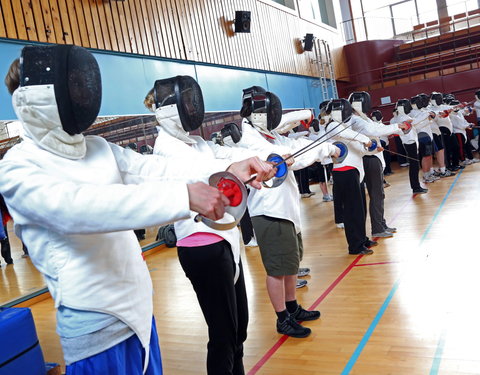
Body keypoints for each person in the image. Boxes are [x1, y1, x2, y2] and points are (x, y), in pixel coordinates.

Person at [0, 45, 273, 375]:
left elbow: (156, 170)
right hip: (94, 330)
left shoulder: (98, 148)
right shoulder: (17, 168)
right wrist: (183, 197)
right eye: (73, 88)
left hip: (140, 317)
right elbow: (79, 208)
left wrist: (231, 168)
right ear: (40, 98)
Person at [143, 76, 271, 375]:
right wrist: (230, 169)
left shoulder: (197, 142)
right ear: (168, 110)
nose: (191, 107)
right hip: (201, 247)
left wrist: (262, 160)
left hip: (226, 241)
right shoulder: (166, 148)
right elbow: (196, 172)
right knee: (223, 335)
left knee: (238, 329)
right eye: (185, 103)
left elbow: (227, 155)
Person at [233, 86, 340, 338]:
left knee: (291, 265)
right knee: (277, 270)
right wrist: (322, 151)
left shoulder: (269, 135)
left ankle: (293, 308)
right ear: (259, 113)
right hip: (270, 213)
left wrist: (327, 146)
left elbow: (296, 144)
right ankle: (282, 318)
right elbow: (290, 156)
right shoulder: (249, 139)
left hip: (287, 210)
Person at [349, 91, 409, 238]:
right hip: (369, 160)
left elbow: (377, 129)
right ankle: (377, 228)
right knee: (376, 194)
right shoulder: (355, 120)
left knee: (379, 194)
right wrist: (397, 126)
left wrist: (398, 128)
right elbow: (374, 130)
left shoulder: (362, 118)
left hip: (374, 156)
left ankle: (381, 223)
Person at [324, 99, 375, 255]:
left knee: (360, 209)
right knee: (352, 211)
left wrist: (371, 148)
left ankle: (362, 239)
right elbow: (350, 135)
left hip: (355, 171)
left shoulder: (346, 126)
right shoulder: (332, 125)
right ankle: (355, 246)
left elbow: (357, 148)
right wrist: (365, 139)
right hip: (344, 172)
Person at [395, 99, 428, 194]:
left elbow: (416, 125)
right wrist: (427, 114)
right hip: (410, 143)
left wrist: (428, 119)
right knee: (414, 166)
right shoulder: (402, 118)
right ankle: (415, 187)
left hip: (412, 142)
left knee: (415, 166)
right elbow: (415, 121)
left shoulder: (404, 117)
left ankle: (416, 186)